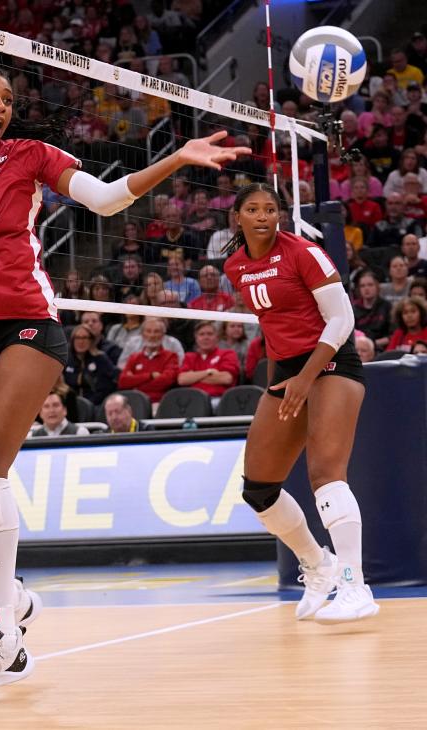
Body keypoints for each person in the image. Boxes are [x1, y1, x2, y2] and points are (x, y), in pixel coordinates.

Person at [0, 63, 246, 689]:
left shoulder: (29, 155)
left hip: (25, 321)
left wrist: (176, 157)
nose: (1, 107)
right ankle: (12, 598)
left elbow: (102, 197)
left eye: (8, 100)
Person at [223, 183, 377, 622]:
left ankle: (355, 586)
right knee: (258, 488)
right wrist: (282, 383)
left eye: (270, 209)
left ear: (281, 216)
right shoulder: (235, 265)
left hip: (330, 362)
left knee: (326, 473)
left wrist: (306, 378)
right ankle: (319, 566)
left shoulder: (303, 252)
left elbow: (342, 319)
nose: (262, 216)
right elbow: (275, 330)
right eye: (252, 209)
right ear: (238, 217)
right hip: (288, 372)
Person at [117, 317, 179, 404]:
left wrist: (135, 382)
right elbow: (122, 382)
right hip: (134, 402)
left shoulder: (171, 356)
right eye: (148, 331)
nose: (152, 335)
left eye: (156, 331)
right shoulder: (134, 357)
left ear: (163, 335)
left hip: (159, 402)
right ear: (142, 334)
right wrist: (150, 376)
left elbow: (165, 382)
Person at [177, 321, 240, 401]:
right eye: (201, 334)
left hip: (219, 399)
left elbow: (226, 378)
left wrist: (193, 377)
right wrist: (209, 372)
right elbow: (182, 380)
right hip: (192, 400)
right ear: (196, 338)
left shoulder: (228, 354)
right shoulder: (189, 357)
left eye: (210, 334)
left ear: (217, 337)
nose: (206, 337)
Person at [353, 270, 393, 350]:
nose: (366, 288)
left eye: (370, 285)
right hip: (359, 348)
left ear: (377, 286)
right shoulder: (354, 308)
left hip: (381, 348)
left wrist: (373, 344)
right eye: (362, 286)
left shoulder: (387, 306)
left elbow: (392, 335)